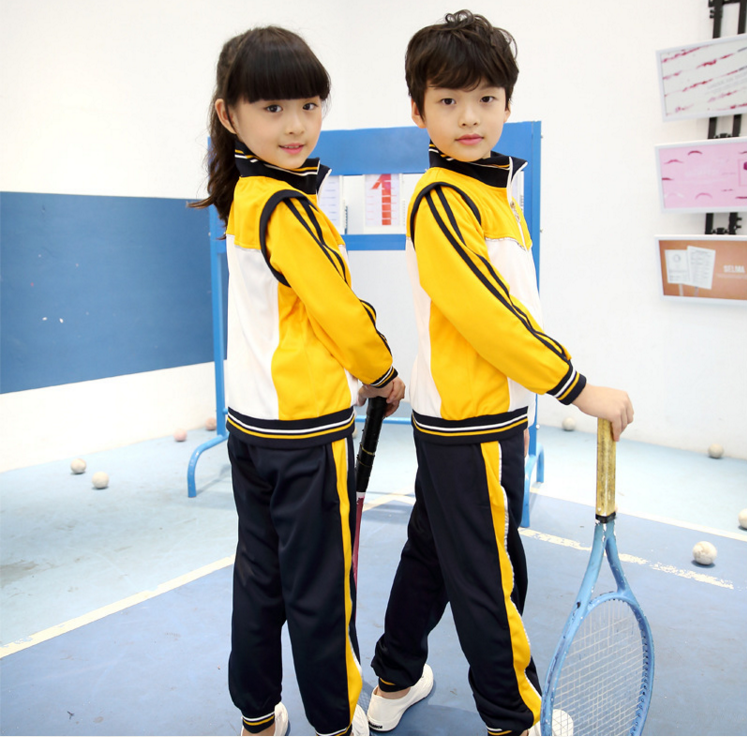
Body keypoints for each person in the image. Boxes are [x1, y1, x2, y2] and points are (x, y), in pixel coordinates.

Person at [366, 10, 634, 736]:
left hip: (483, 421)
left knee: (431, 552)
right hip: (471, 426)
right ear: (417, 110)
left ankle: (391, 678)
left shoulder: (494, 195)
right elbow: (488, 318)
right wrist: (578, 386)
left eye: (485, 98)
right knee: (491, 577)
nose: (468, 116)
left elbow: (516, 313)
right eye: (447, 101)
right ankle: (513, 718)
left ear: (507, 104)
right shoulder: (441, 199)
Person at [193, 26, 405, 737]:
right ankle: (333, 722)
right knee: (320, 590)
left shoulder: (246, 196)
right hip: (306, 434)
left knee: (260, 578)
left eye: (310, 106)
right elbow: (338, 313)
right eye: (273, 108)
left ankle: (257, 715)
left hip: (250, 428)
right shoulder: (285, 205)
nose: (296, 126)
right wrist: (380, 372)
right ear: (230, 115)